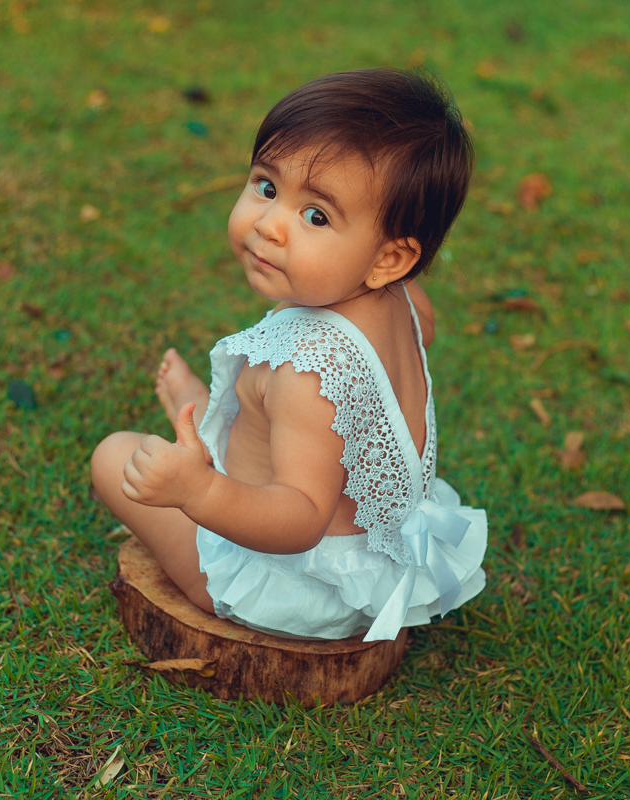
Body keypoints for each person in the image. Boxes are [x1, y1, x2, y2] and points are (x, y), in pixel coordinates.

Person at [91, 69, 488, 642]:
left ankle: (203, 460)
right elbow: (408, 350)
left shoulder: (305, 375)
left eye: (316, 216)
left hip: (298, 583)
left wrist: (196, 492)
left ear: (388, 259)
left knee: (114, 454)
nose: (270, 226)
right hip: (374, 560)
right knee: (269, 417)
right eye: (267, 187)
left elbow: (300, 517)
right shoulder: (403, 298)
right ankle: (203, 413)